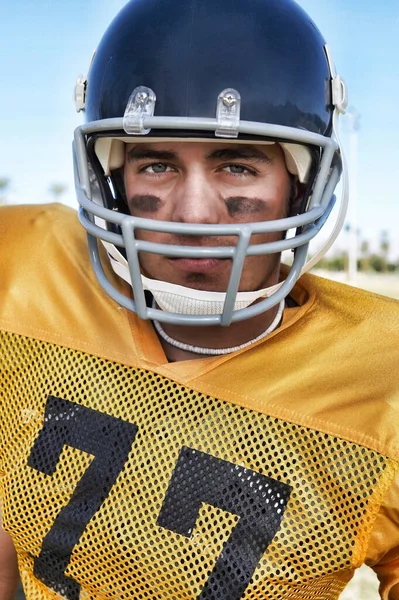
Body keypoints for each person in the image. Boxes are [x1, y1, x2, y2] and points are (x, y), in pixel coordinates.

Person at [1, 0, 399, 599]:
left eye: (236, 165)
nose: (192, 213)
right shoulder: (25, 271)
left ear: (300, 186)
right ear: (113, 181)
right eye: (157, 164)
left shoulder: (381, 379)